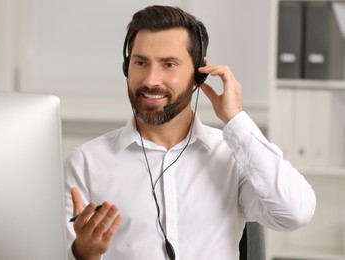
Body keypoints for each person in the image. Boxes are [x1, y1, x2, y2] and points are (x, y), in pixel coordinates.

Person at [65, 5, 316, 260]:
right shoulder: (87, 162)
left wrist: (236, 119)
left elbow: (295, 212)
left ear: (199, 74)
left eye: (169, 64)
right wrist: (84, 253)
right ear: (126, 68)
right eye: (140, 62)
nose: (151, 80)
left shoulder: (230, 155)